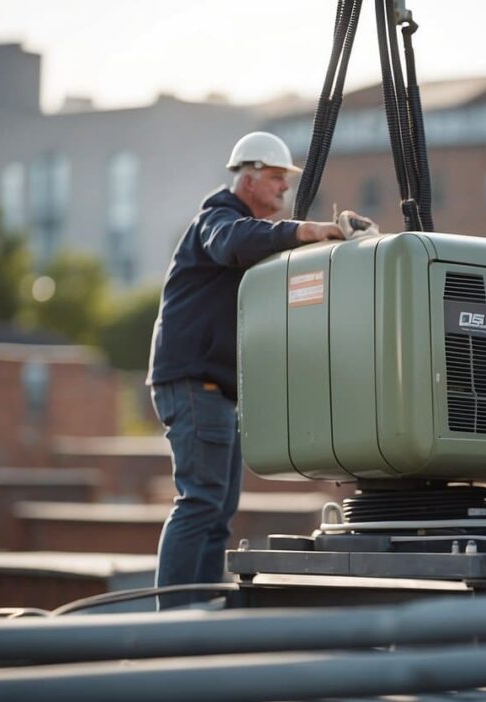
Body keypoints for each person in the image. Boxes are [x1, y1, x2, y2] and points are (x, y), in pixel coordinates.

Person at [146, 131, 344, 608]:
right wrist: (310, 230)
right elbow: (234, 242)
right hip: (197, 385)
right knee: (200, 501)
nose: (283, 189)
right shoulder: (217, 220)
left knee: (217, 510)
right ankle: (172, 618)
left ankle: (201, 607)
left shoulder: (248, 235)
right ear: (249, 178)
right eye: (277, 179)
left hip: (215, 390)